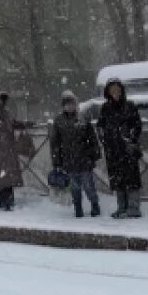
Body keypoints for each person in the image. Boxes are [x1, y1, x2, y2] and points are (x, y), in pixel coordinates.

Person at [50, 90, 101, 218]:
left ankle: (95, 205)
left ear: (76, 104)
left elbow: (92, 138)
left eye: (72, 103)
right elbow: (55, 143)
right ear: (63, 106)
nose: (69, 106)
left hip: (84, 159)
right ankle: (78, 208)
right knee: (74, 188)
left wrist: (94, 153)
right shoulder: (59, 121)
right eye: (67, 104)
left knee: (89, 186)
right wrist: (56, 161)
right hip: (68, 161)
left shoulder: (82, 118)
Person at [98, 79, 143, 219]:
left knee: (132, 179)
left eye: (117, 89)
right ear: (108, 92)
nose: (115, 92)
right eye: (112, 90)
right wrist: (105, 140)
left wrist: (131, 139)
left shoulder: (129, 106)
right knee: (118, 180)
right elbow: (100, 126)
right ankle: (121, 207)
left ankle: (133, 208)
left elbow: (137, 125)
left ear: (122, 90)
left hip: (128, 148)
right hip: (113, 150)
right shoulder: (106, 108)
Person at [0, 91, 31, 211]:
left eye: (1, 99)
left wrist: (25, 124)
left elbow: (13, 123)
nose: (0, 102)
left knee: (9, 178)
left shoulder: (6, 113)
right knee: (2, 178)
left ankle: (8, 203)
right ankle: (4, 203)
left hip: (9, 149)